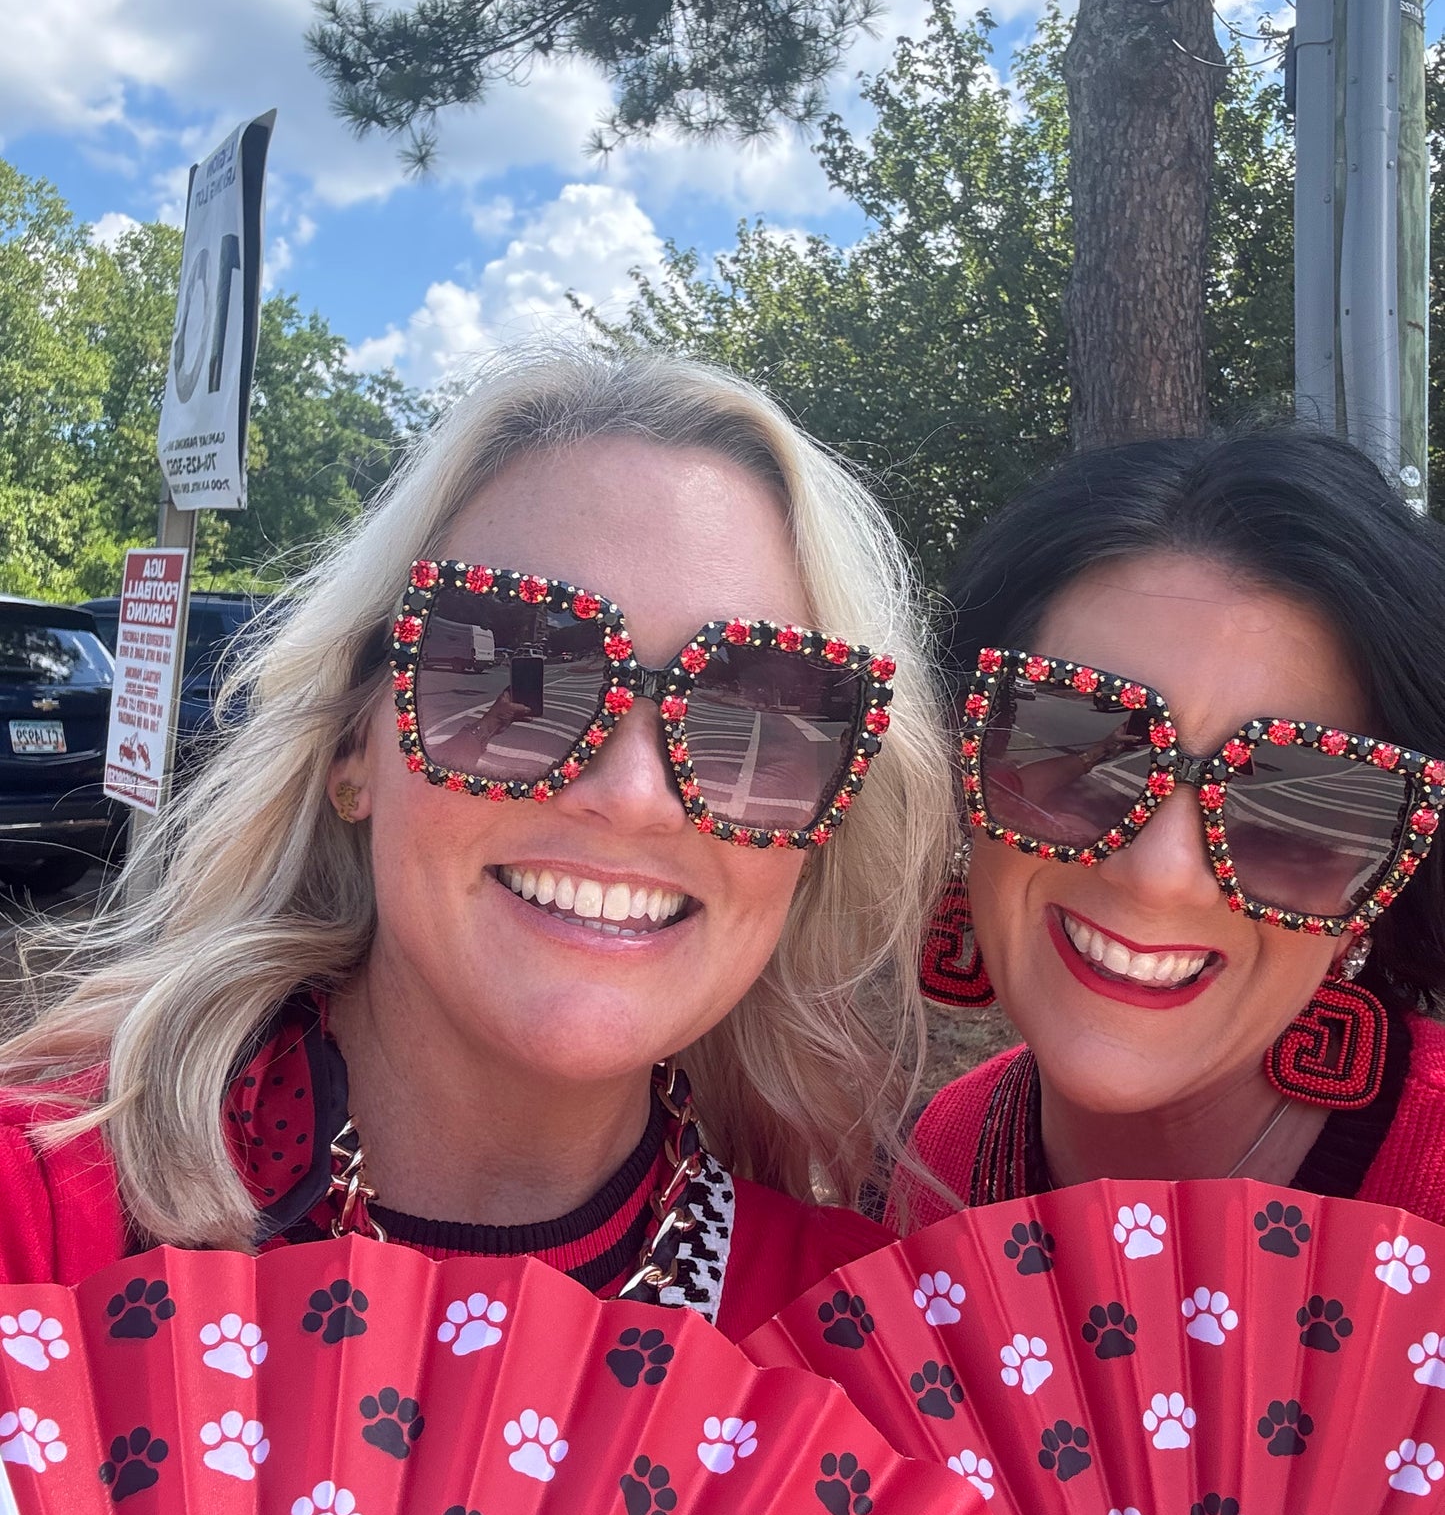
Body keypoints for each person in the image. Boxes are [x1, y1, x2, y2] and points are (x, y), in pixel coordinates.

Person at [0, 351, 952, 1337]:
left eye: (755, 720)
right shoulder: (44, 1231)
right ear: (351, 747)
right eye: (510, 675)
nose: (633, 796)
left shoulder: (864, 1343)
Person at [898, 427, 1445, 1226]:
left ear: (1381, 883)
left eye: (1303, 800)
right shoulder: (936, 1165)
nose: (1159, 873)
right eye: (1075, 744)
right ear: (960, 761)